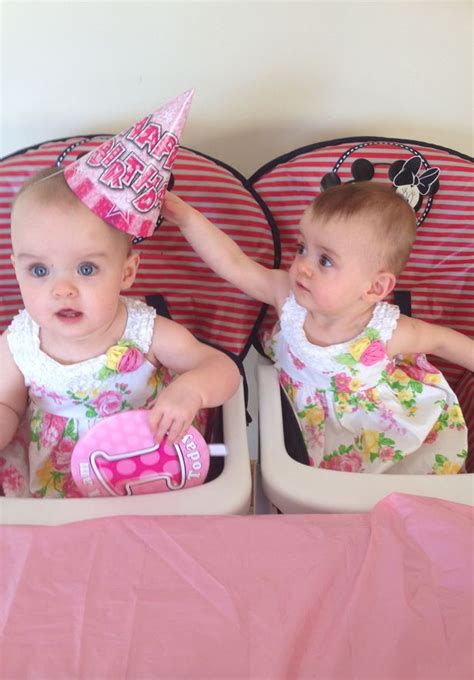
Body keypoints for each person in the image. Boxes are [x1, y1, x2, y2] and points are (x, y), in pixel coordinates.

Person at [163, 181, 473, 474]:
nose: (303, 266)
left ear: (375, 287)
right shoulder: (287, 297)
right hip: (300, 429)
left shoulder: (385, 331)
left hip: (376, 436)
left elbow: (444, 342)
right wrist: (186, 217)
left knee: (387, 493)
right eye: (302, 248)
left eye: (325, 260)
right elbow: (234, 264)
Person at [0, 169, 240, 497]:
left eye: (86, 269)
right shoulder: (20, 344)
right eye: (39, 270)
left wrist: (191, 391)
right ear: (17, 270)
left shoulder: (145, 332)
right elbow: (6, 406)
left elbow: (222, 367)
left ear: (126, 272)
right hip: (58, 485)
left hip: (148, 469)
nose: (63, 289)